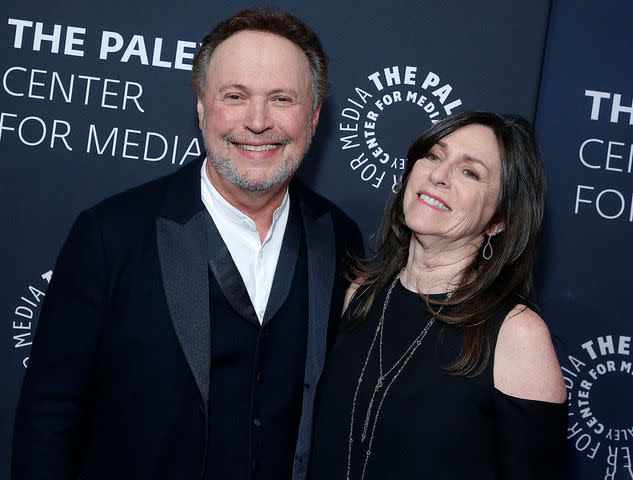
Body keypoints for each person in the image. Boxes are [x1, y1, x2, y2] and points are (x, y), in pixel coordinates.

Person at [12, 8, 362, 480]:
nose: (257, 122)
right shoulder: (110, 234)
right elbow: (48, 418)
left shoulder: (339, 235)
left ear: (314, 116)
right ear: (201, 107)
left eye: (282, 99)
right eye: (235, 96)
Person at [308, 111, 567, 479]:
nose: (438, 175)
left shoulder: (515, 333)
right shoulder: (359, 296)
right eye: (434, 155)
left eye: (470, 172)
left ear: (499, 221)